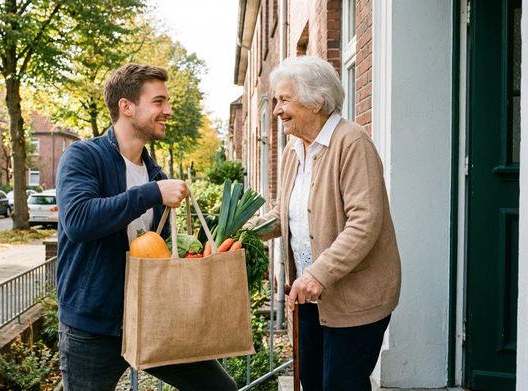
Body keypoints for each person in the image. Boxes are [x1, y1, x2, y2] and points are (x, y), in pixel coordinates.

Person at [54, 63, 238, 391]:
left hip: (155, 317)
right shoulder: (82, 157)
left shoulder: (156, 175)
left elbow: (164, 251)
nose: (168, 110)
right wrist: (150, 194)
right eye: (158, 102)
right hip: (93, 327)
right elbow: (78, 221)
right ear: (126, 106)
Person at [245, 56, 402, 391]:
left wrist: (318, 274)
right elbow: (283, 212)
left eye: (284, 100)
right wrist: (245, 233)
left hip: (354, 298)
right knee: (313, 383)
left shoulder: (352, 142)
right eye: (276, 101)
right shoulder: (293, 149)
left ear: (317, 101)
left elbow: (365, 222)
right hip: (308, 299)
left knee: (342, 385)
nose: (277, 110)